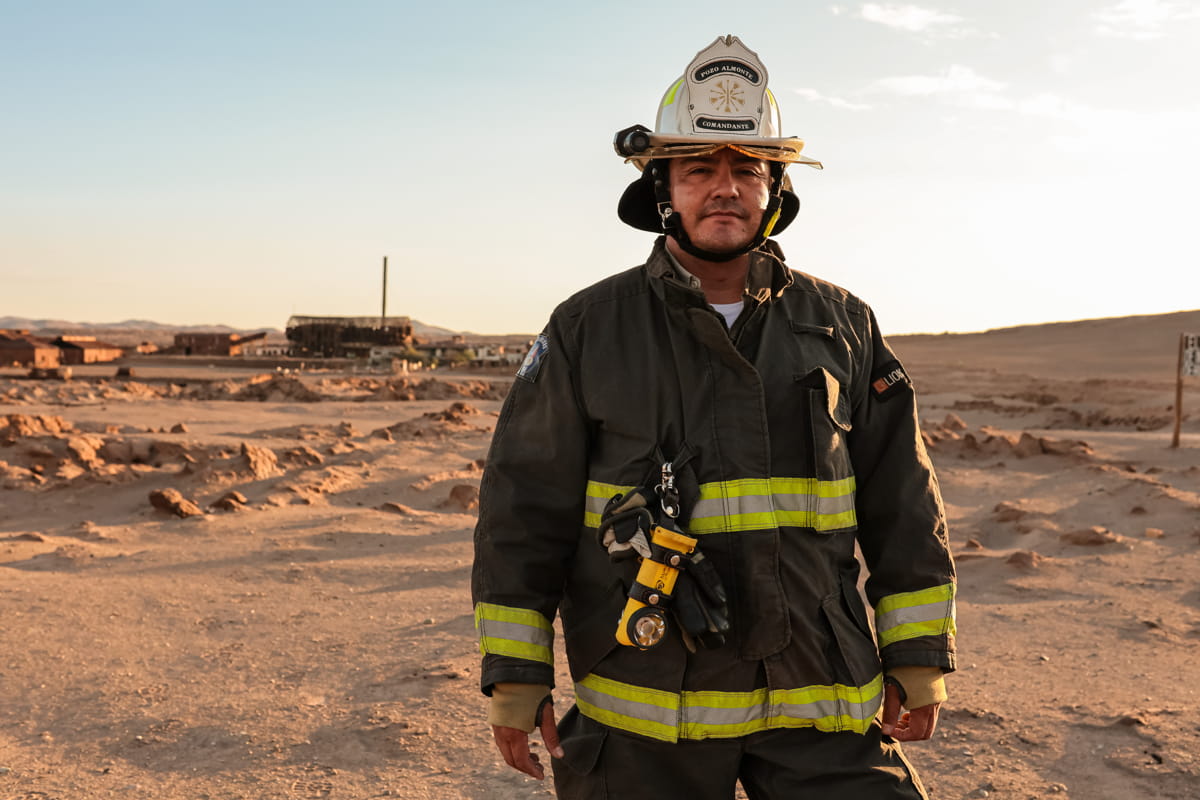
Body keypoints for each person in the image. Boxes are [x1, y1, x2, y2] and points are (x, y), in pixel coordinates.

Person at [472, 35, 956, 799]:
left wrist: (919, 655)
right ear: (663, 188)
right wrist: (515, 674)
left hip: (818, 697)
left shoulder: (842, 325)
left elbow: (904, 504)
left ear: (774, 189)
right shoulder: (587, 329)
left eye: (747, 170)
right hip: (644, 709)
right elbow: (523, 510)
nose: (725, 189)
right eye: (699, 169)